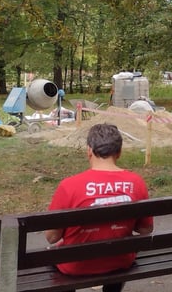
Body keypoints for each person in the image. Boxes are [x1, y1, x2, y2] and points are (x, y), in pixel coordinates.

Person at [45, 123, 154, 292]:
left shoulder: (69, 185)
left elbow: (52, 237)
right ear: (119, 152)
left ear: (89, 150)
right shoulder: (136, 182)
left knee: (55, 254)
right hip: (120, 261)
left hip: (75, 266)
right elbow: (145, 230)